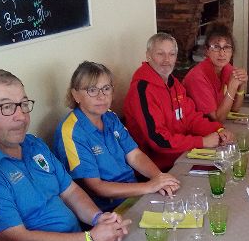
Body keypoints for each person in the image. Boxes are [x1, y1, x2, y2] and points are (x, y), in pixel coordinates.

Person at [0, 69, 130, 241]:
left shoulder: (32, 144)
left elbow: (71, 192)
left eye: (23, 104)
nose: (21, 116)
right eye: (6, 107)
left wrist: (98, 219)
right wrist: (91, 240)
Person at [53, 61, 180, 212]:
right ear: (76, 95)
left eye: (106, 88)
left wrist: (159, 178)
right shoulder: (71, 130)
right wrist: (149, 186)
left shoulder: (110, 117)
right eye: (92, 90)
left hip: (134, 193)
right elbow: (97, 187)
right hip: (107, 210)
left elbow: (134, 155)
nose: (101, 96)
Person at [123, 33, 232, 172]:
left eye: (172, 54)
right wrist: (202, 142)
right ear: (148, 56)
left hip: (182, 155)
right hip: (159, 168)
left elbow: (191, 118)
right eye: (160, 54)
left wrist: (218, 130)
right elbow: (158, 140)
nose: (166, 60)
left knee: (231, 162)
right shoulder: (142, 90)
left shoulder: (174, 84)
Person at [183, 23, 248, 123]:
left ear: (232, 51)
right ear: (207, 51)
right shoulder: (197, 77)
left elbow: (235, 109)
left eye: (226, 47)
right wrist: (232, 88)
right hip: (193, 131)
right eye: (216, 47)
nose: (222, 53)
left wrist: (242, 85)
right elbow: (217, 119)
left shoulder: (226, 68)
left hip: (213, 128)